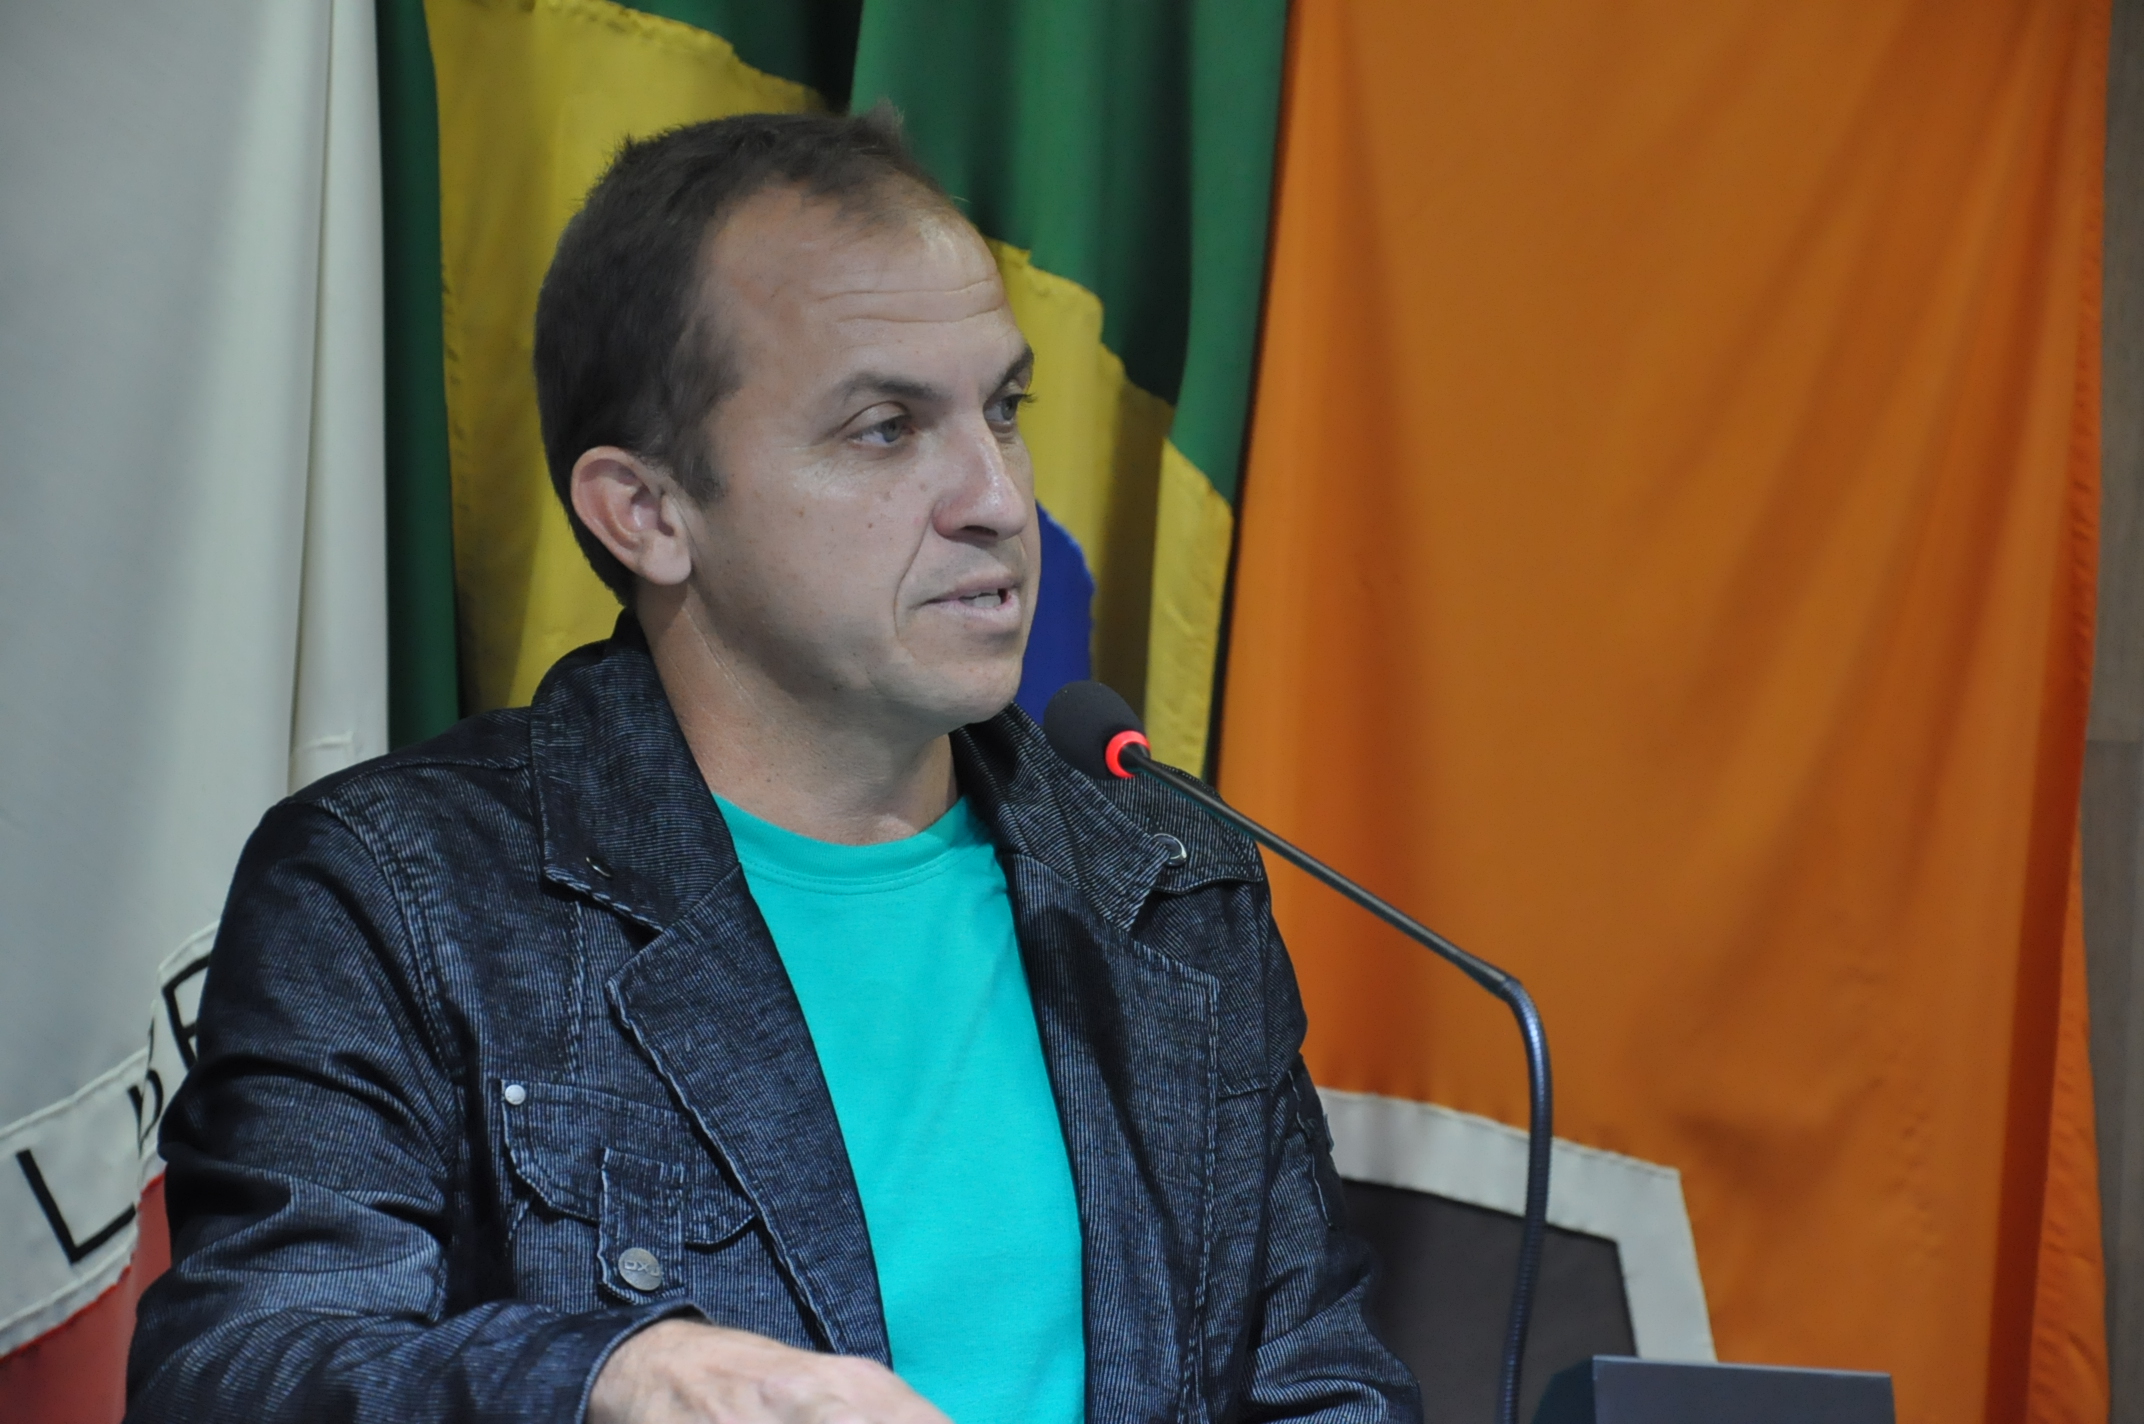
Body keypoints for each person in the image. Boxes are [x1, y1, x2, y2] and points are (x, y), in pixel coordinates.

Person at [125, 110, 1417, 1424]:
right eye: (886, 428)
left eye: (1003, 409)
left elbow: (1319, 1384)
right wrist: (611, 1379)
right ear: (648, 512)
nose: (998, 498)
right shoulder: (395, 891)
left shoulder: (1169, 881)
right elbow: (241, 1367)